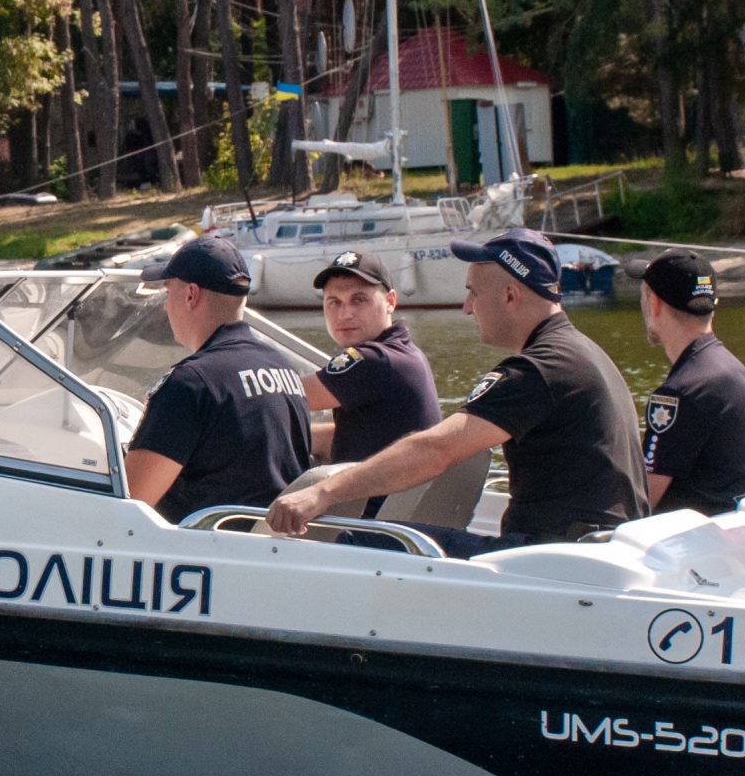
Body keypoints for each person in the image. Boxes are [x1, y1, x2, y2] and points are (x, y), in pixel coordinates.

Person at [267, 230, 646, 551]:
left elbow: (436, 450)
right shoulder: (581, 352)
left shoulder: (538, 370)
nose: (466, 308)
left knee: (362, 544)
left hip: (548, 557)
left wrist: (323, 492)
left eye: (473, 293)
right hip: (589, 548)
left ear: (510, 296)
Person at [124, 235, 312, 523]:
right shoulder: (282, 367)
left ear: (191, 295)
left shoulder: (191, 383)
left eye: (168, 292)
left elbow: (129, 504)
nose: (164, 307)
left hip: (203, 544)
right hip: (270, 540)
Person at [627, 249, 745, 515]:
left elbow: (641, 500)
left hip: (695, 535)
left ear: (654, 304)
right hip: (736, 524)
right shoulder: (733, 371)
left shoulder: (678, 393)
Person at [303, 251, 442, 464]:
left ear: (390, 301)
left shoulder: (373, 360)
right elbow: (348, 438)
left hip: (385, 486)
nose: (345, 314)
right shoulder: (405, 351)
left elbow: (277, 395)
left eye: (359, 300)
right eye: (334, 302)